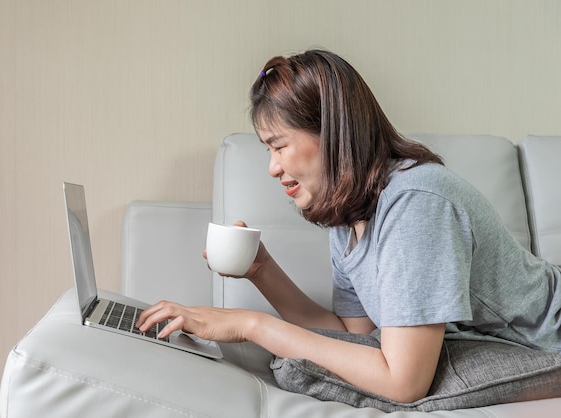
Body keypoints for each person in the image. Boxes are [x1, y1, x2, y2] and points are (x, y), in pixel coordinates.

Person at [137, 49, 561, 403]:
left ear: (334, 133)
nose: (272, 167)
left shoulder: (415, 202)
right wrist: (261, 270)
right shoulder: (351, 216)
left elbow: (403, 382)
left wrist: (251, 325)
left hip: (547, 345)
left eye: (279, 146)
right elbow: (350, 335)